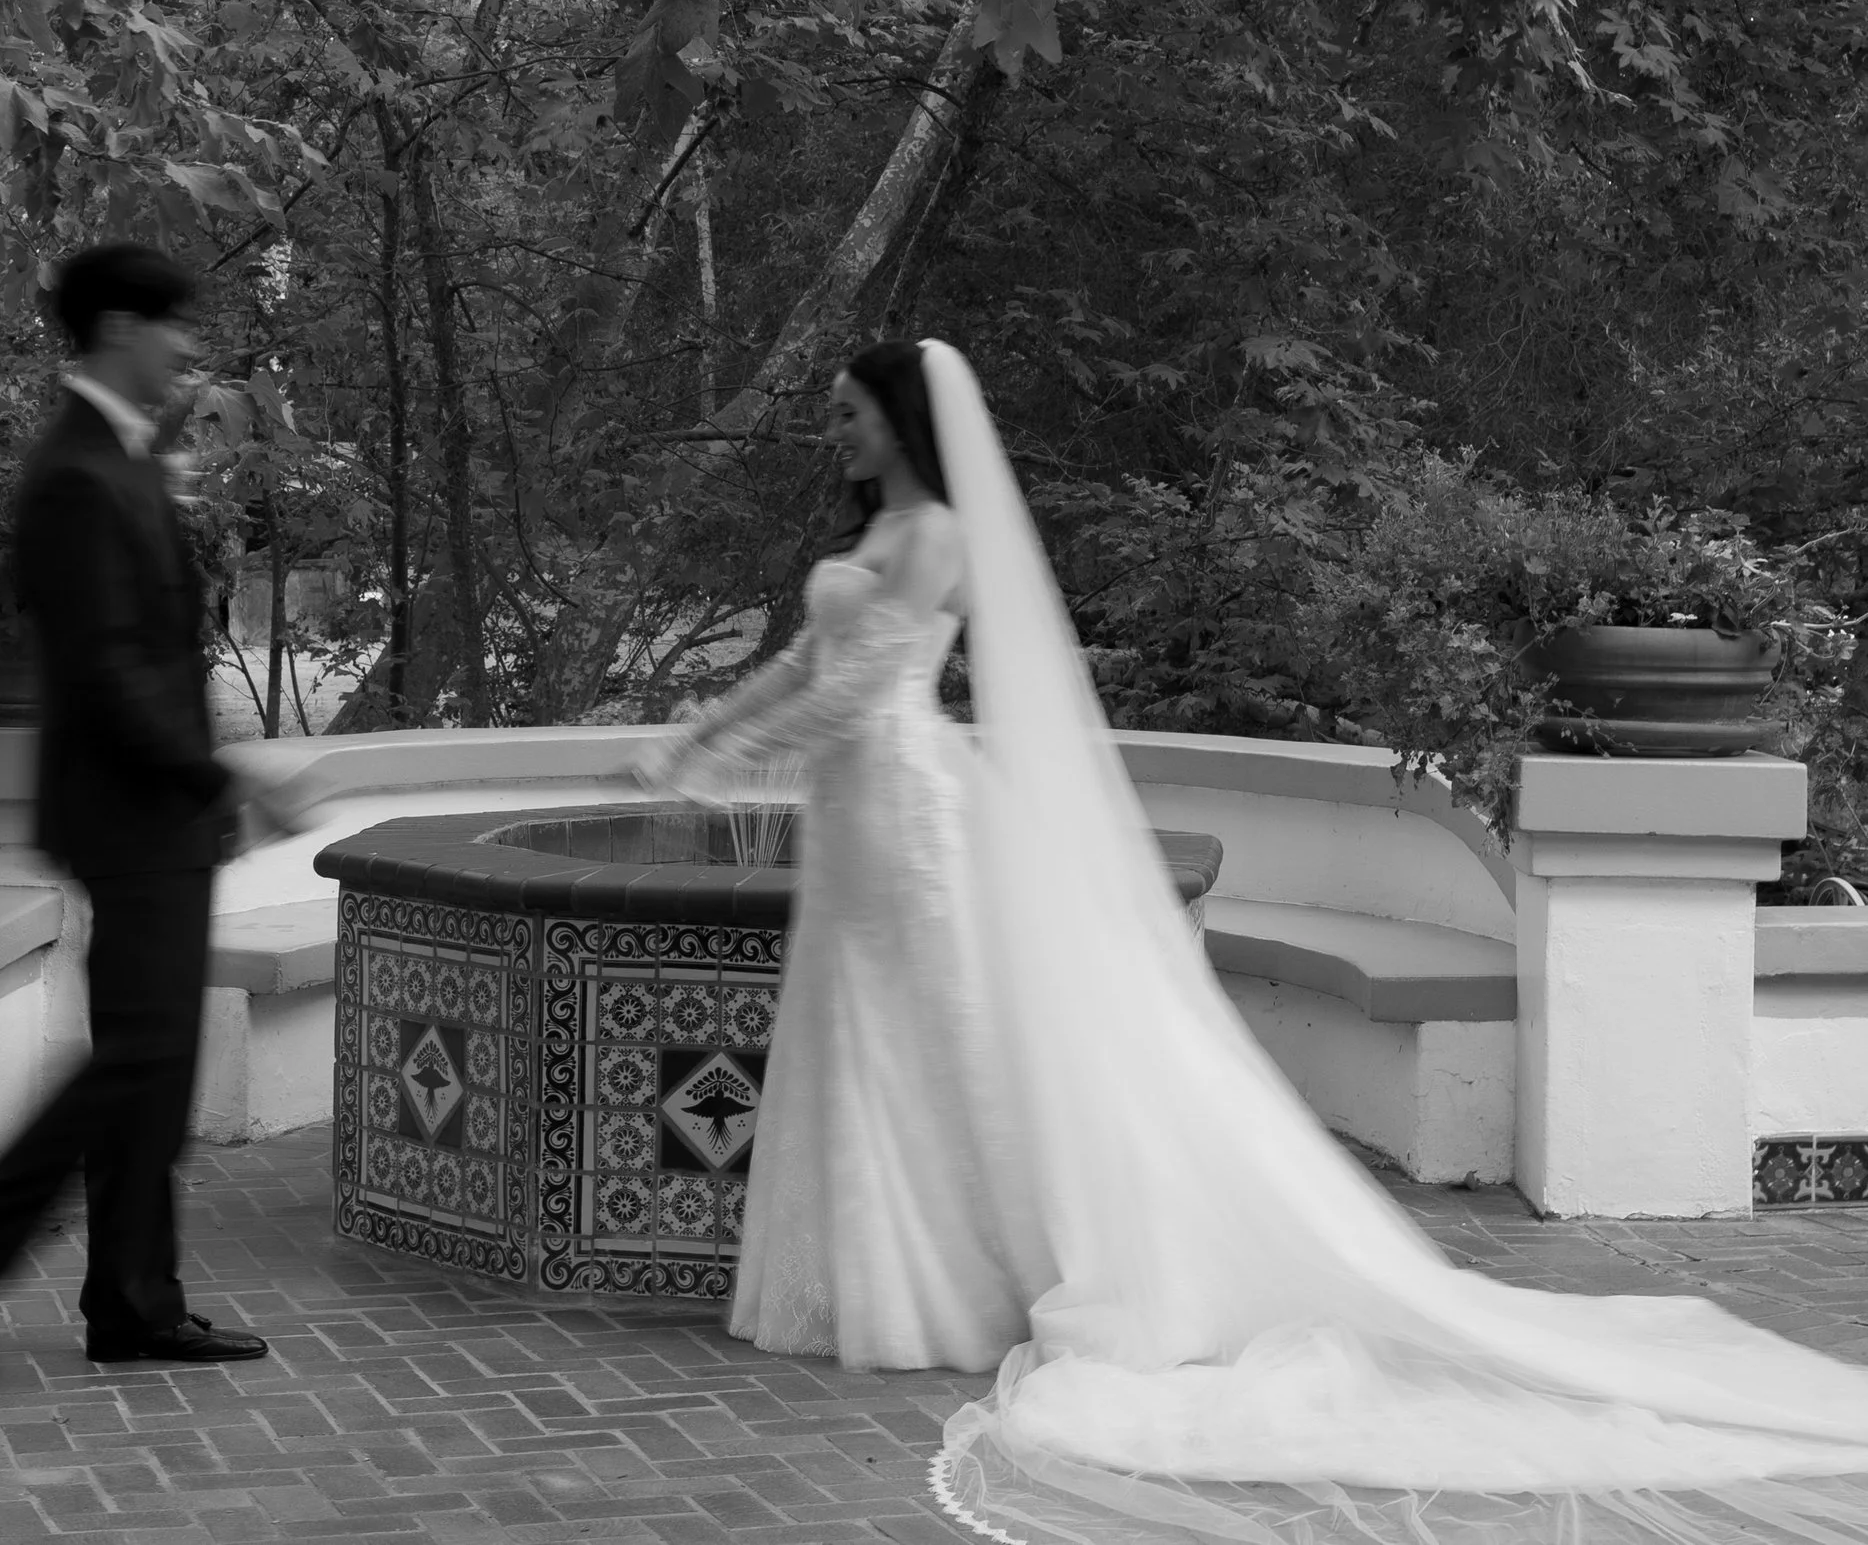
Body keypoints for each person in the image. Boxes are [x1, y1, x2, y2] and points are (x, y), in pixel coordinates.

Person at [639, 339, 1868, 1545]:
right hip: (857, 813)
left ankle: (954, 1280)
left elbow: (858, 694)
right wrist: (697, 732)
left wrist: (728, 763)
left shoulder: (936, 539)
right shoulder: (866, 541)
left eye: (850, 411)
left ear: (904, 420)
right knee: (862, 1036)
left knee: (924, 1039)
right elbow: (805, 661)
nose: (835, 430)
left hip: (904, 804)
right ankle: (879, 1277)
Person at [0, 243, 301, 1386]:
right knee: (134, 1062)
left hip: (151, 814)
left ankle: (133, 1300)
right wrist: (226, 777)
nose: (185, 351)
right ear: (121, 326)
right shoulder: (75, 473)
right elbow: (112, 674)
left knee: (150, 1069)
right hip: (129, 815)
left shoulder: (119, 457)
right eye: (173, 327)